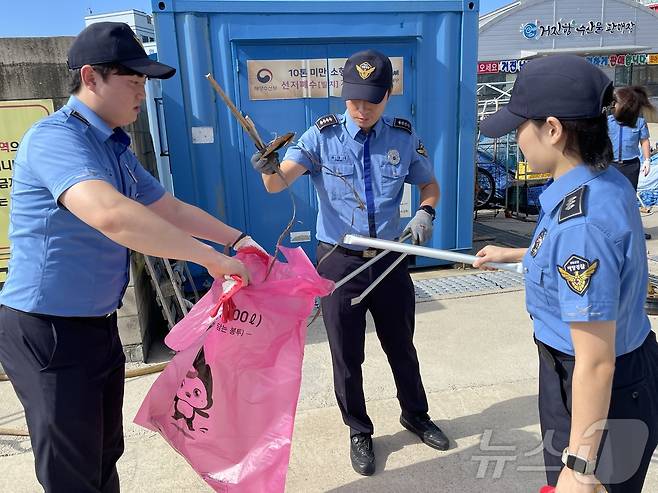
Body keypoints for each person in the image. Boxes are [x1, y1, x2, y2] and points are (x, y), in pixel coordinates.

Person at [0, 22, 261, 492]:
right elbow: (111, 214)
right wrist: (212, 260)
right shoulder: (56, 139)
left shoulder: (115, 147)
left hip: (96, 324)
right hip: (47, 330)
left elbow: (170, 208)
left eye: (145, 83)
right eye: (133, 81)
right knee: (70, 471)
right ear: (91, 77)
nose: (141, 93)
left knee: (103, 452)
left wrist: (237, 239)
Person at [251, 49, 447, 476]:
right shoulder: (320, 137)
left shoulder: (403, 135)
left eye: (371, 102)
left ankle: (415, 414)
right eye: (354, 100)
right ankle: (358, 429)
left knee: (401, 346)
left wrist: (425, 212)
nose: (362, 110)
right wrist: (267, 168)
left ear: (387, 96)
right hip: (339, 261)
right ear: (343, 95)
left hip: (391, 259)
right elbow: (277, 183)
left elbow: (428, 184)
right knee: (347, 354)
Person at [474, 55, 658, 493]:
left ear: (553, 129)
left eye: (520, 127)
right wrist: (515, 252)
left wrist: (580, 466)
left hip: (597, 392)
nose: (517, 139)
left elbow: (596, 362)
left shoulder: (581, 224)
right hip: (597, 375)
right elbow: (597, 260)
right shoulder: (602, 181)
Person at [607, 85, 655, 239]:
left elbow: (645, 141)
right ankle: (612, 230)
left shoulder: (639, 121)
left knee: (630, 200)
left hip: (631, 166)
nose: (615, 106)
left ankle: (634, 230)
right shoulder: (609, 121)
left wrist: (647, 160)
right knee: (611, 199)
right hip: (612, 165)